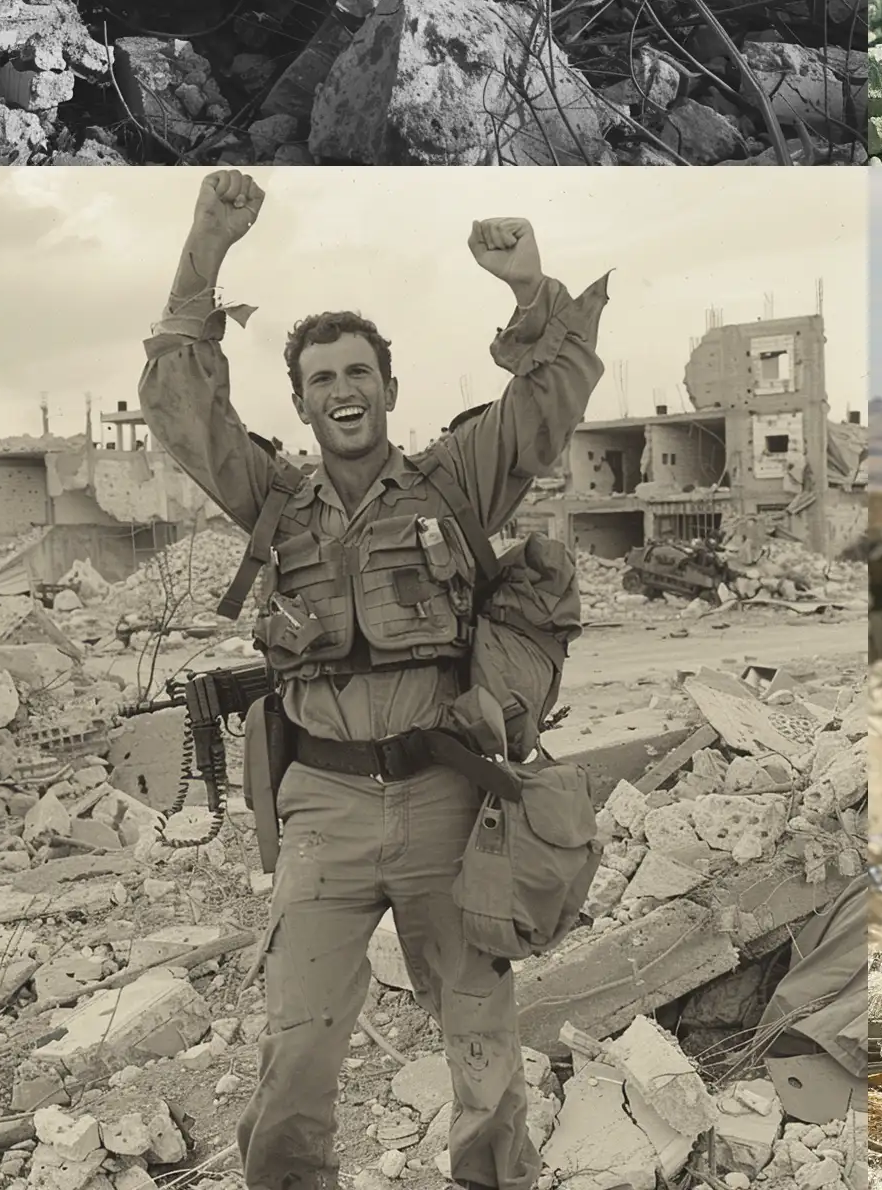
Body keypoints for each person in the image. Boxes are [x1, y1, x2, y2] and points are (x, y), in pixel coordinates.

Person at [139, 172, 609, 1190]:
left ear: (390, 388)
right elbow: (181, 406)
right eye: (320, 376)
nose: (342, 389)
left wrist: (530, 288)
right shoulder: (269, 498)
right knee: (297, 1043)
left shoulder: (453, 479)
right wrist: (205, 246)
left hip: (447, 795)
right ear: (301, 399)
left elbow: (545, 404)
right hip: (323, 807)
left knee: (480, 1032)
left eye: (359, 371)